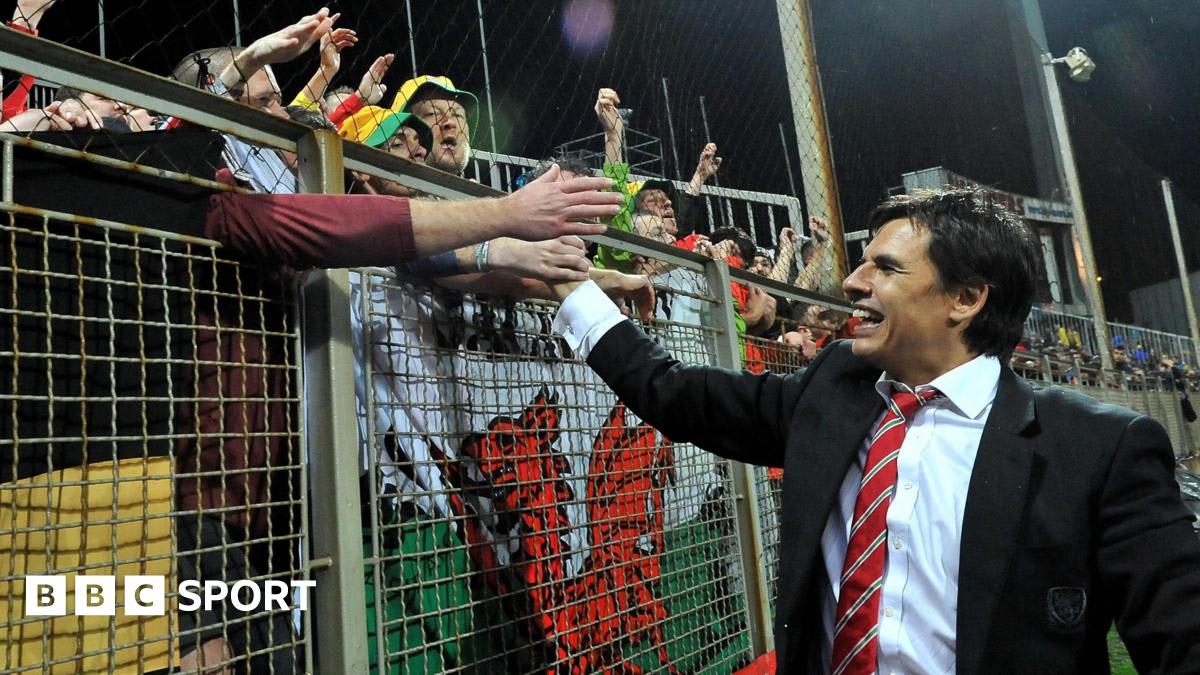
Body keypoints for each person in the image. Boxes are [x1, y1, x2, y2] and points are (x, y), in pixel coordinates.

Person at [547, 187, 1200, 674]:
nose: (853, 282)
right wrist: (572, 290)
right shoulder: (830, 394)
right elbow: (679, 395)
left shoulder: (1100, 447)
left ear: (966, 298)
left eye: (884, 268)